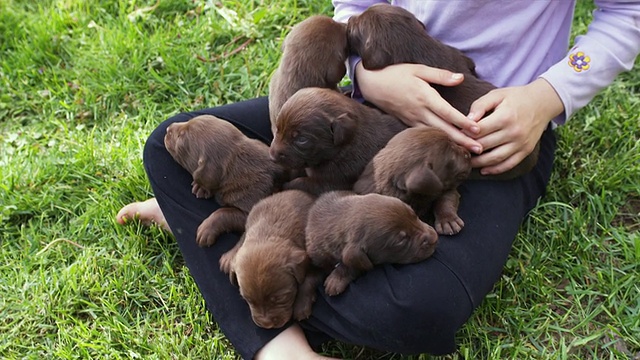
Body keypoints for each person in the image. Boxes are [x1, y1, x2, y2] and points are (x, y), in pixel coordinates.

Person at [116, 1, 640, 359]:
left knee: (421, 310)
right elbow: (354, 9)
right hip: (367, 108)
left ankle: (233, 233)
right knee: (168, 146)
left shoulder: (513, 119)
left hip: (491, 134)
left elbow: (626, 12)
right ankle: (280, 345)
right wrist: (370, 77)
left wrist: (548, 93)